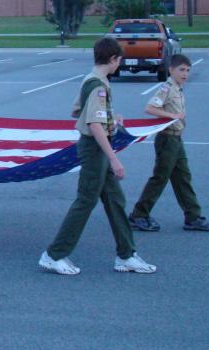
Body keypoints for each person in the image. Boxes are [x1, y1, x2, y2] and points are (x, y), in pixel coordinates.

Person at [38, 37, 157, 275]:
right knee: (86, 201)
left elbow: (77, 109)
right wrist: (114, 158)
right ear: (113, 59)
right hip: (95, 150)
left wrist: (111, 118)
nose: (119, 65)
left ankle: (126, 255)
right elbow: (93, 123)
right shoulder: (99, 86)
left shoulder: (91, 80)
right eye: (119, 60)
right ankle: (54, 254)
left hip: (96, 147)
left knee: (115, 201)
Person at [128, 54, 209, 232]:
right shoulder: (167, 88)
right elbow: (150, 108)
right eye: (181, 70)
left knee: (183, 178)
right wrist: (173, 116)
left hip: (176, 139)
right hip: (167, 139)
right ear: (171, 70)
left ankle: (192, 217)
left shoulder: (178, 88)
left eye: (188, 70)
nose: (185, 74)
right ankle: (139, 214)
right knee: (160, 178)